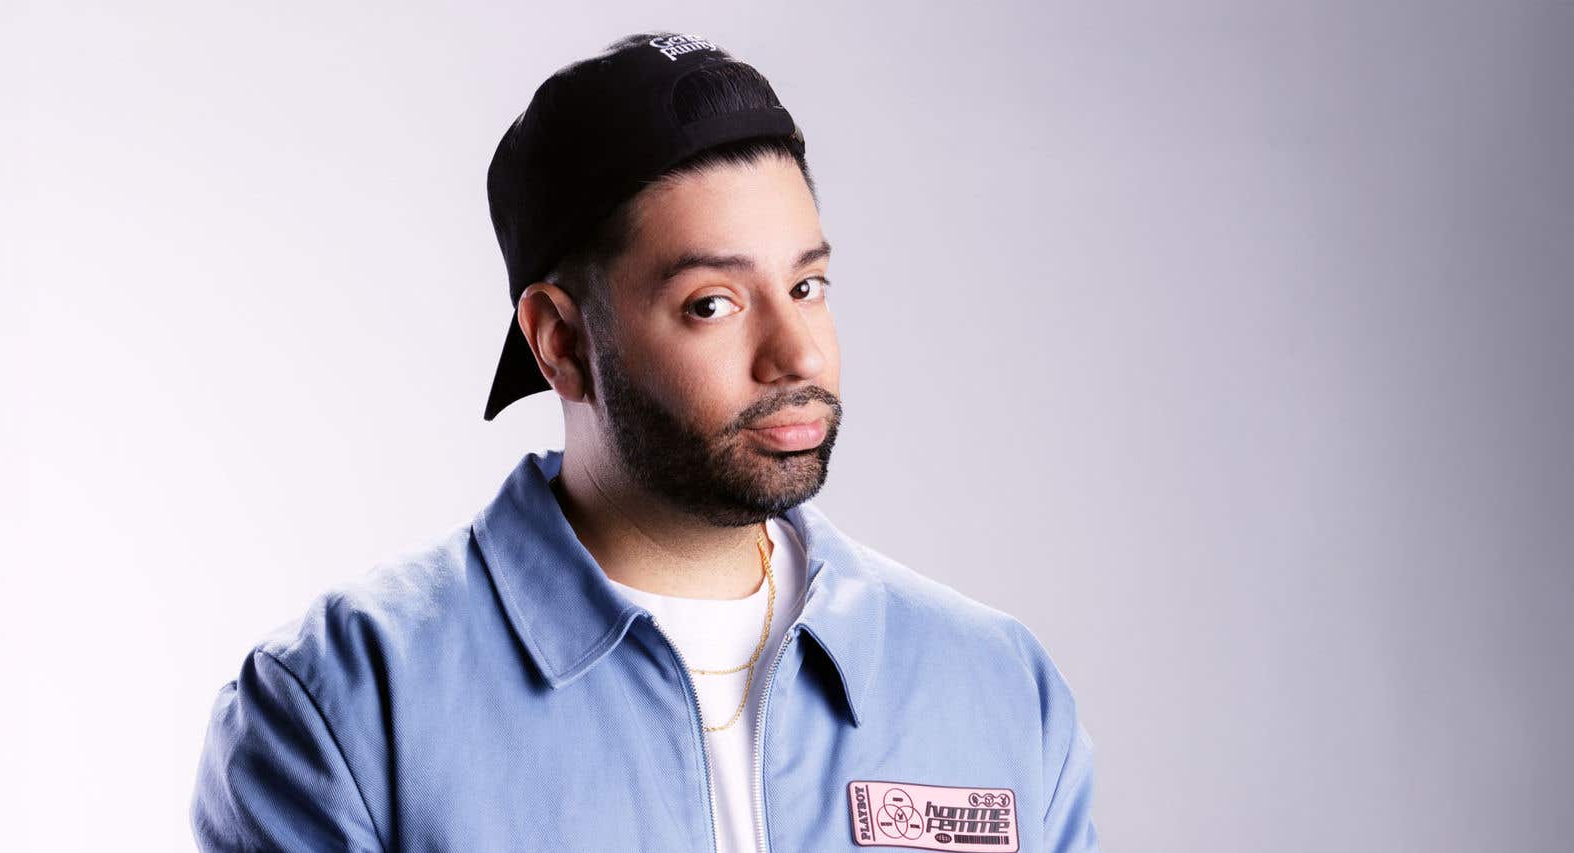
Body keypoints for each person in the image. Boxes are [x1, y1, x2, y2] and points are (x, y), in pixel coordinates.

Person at [191, 31, 1099, 853]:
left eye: (809, 286)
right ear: (561, 340)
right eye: (713, 304)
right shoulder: (342, 706)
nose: (797, 353)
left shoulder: (998, 687)